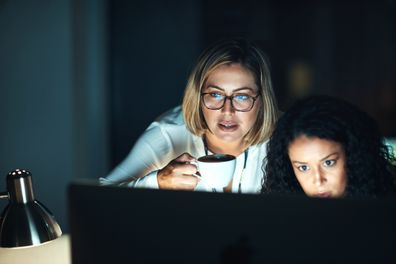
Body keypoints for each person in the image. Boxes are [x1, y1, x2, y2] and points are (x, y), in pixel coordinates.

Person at [100, 38, 279, 193]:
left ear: (262, 100)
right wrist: (157, 182)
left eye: (242, 96)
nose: (227, 110)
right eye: (215, 94)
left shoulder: (285, 134)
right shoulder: (169, 132)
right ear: (198, 97)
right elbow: (100, 198)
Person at [262, 95, 396, 198]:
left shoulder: (386, 214)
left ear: (353, 156)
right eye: (303, 167)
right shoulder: (284, 223)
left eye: (328, 163)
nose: (318, 180)